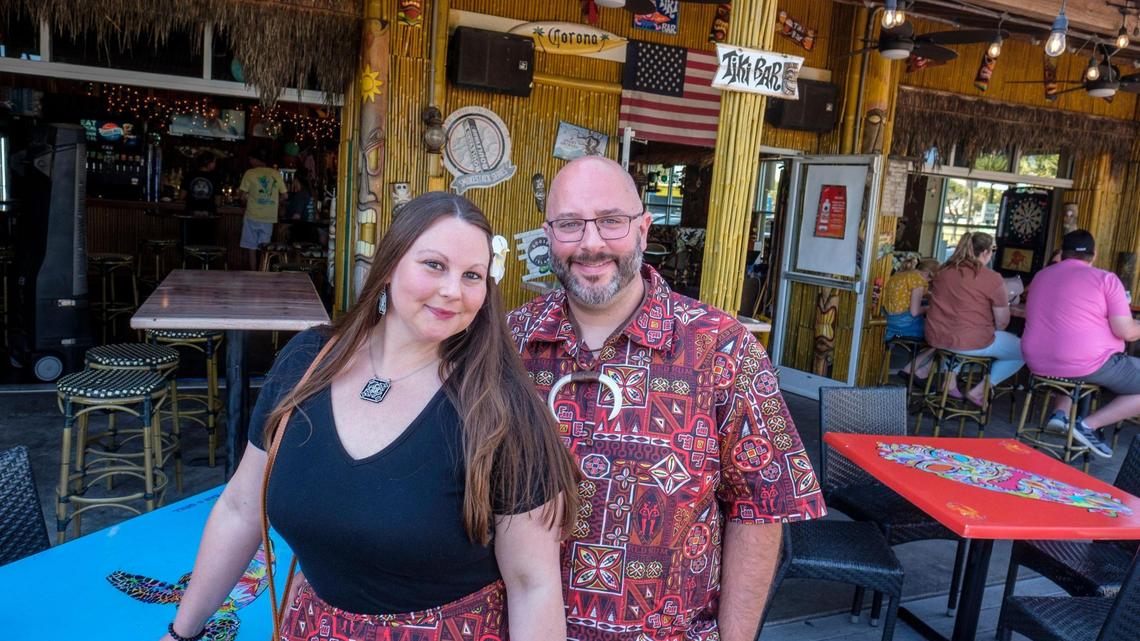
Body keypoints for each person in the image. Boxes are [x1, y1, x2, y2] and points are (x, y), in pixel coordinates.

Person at [160, 192, 579, 641]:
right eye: (434, 265)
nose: (453, 290)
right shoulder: (308, 361)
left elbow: (532, 585)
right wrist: (182, 633)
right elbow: (240, 509)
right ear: (390, 265)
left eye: (472, 275)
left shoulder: (502, 410)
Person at [506, 156, 826, 641]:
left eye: (611, 221)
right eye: (570, 224)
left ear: (643, 228)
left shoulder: (722, 347)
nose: (591, 243)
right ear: (548, 234)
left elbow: (760, 508)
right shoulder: (509, 342)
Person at [1021, 229, 1140, 458]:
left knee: (1074, 360)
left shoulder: (1041, 276)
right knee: (1081, 361)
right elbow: (1126, 332)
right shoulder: (1106, 279)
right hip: (1086, 362)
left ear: (1063, 253)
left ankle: (1060, 414)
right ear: (1093, 255)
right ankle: (1087, 426)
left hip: (1036, 360)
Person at [925, 232, 1024, 407]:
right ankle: (980, 390)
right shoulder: (992, 278)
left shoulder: (942, 271)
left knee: (961, 337)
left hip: (937, 338)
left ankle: (950, 382)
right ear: (986, 252)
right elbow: (1002, 323)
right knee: (1025, 351)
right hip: (967, 342)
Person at [881, 257, 941, 379]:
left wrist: (929, 297)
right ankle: (915, 369)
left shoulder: (901, 275)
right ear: (930, 275)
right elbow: (914, 312)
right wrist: (930, 308)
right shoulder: (918, 281)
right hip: (905, 324)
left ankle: (914, 369)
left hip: (890, 322)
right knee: (940, 338)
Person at [238, 149, 288, 270]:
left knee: (252, 248)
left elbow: (242, 196)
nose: (250, 161)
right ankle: (263, 271)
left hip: (252, 216)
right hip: (268, 218)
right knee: (264, 248)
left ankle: (254, 272)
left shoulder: (250, 173)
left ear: (255, 160)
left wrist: (247, 200)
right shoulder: (276, 173)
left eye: (251, 159)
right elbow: (285, 195)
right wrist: (273, 202)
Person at [178, 152, 220, 246]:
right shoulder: (215, 177)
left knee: (189, 245)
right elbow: (218, 200)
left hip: (191, 215)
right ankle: (204, 260)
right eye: (214, 162)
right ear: (208, 163)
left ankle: (187, 260)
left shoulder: (190, 175)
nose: (215, 164)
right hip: (208, 217)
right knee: (206, 246)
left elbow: (181, 196)